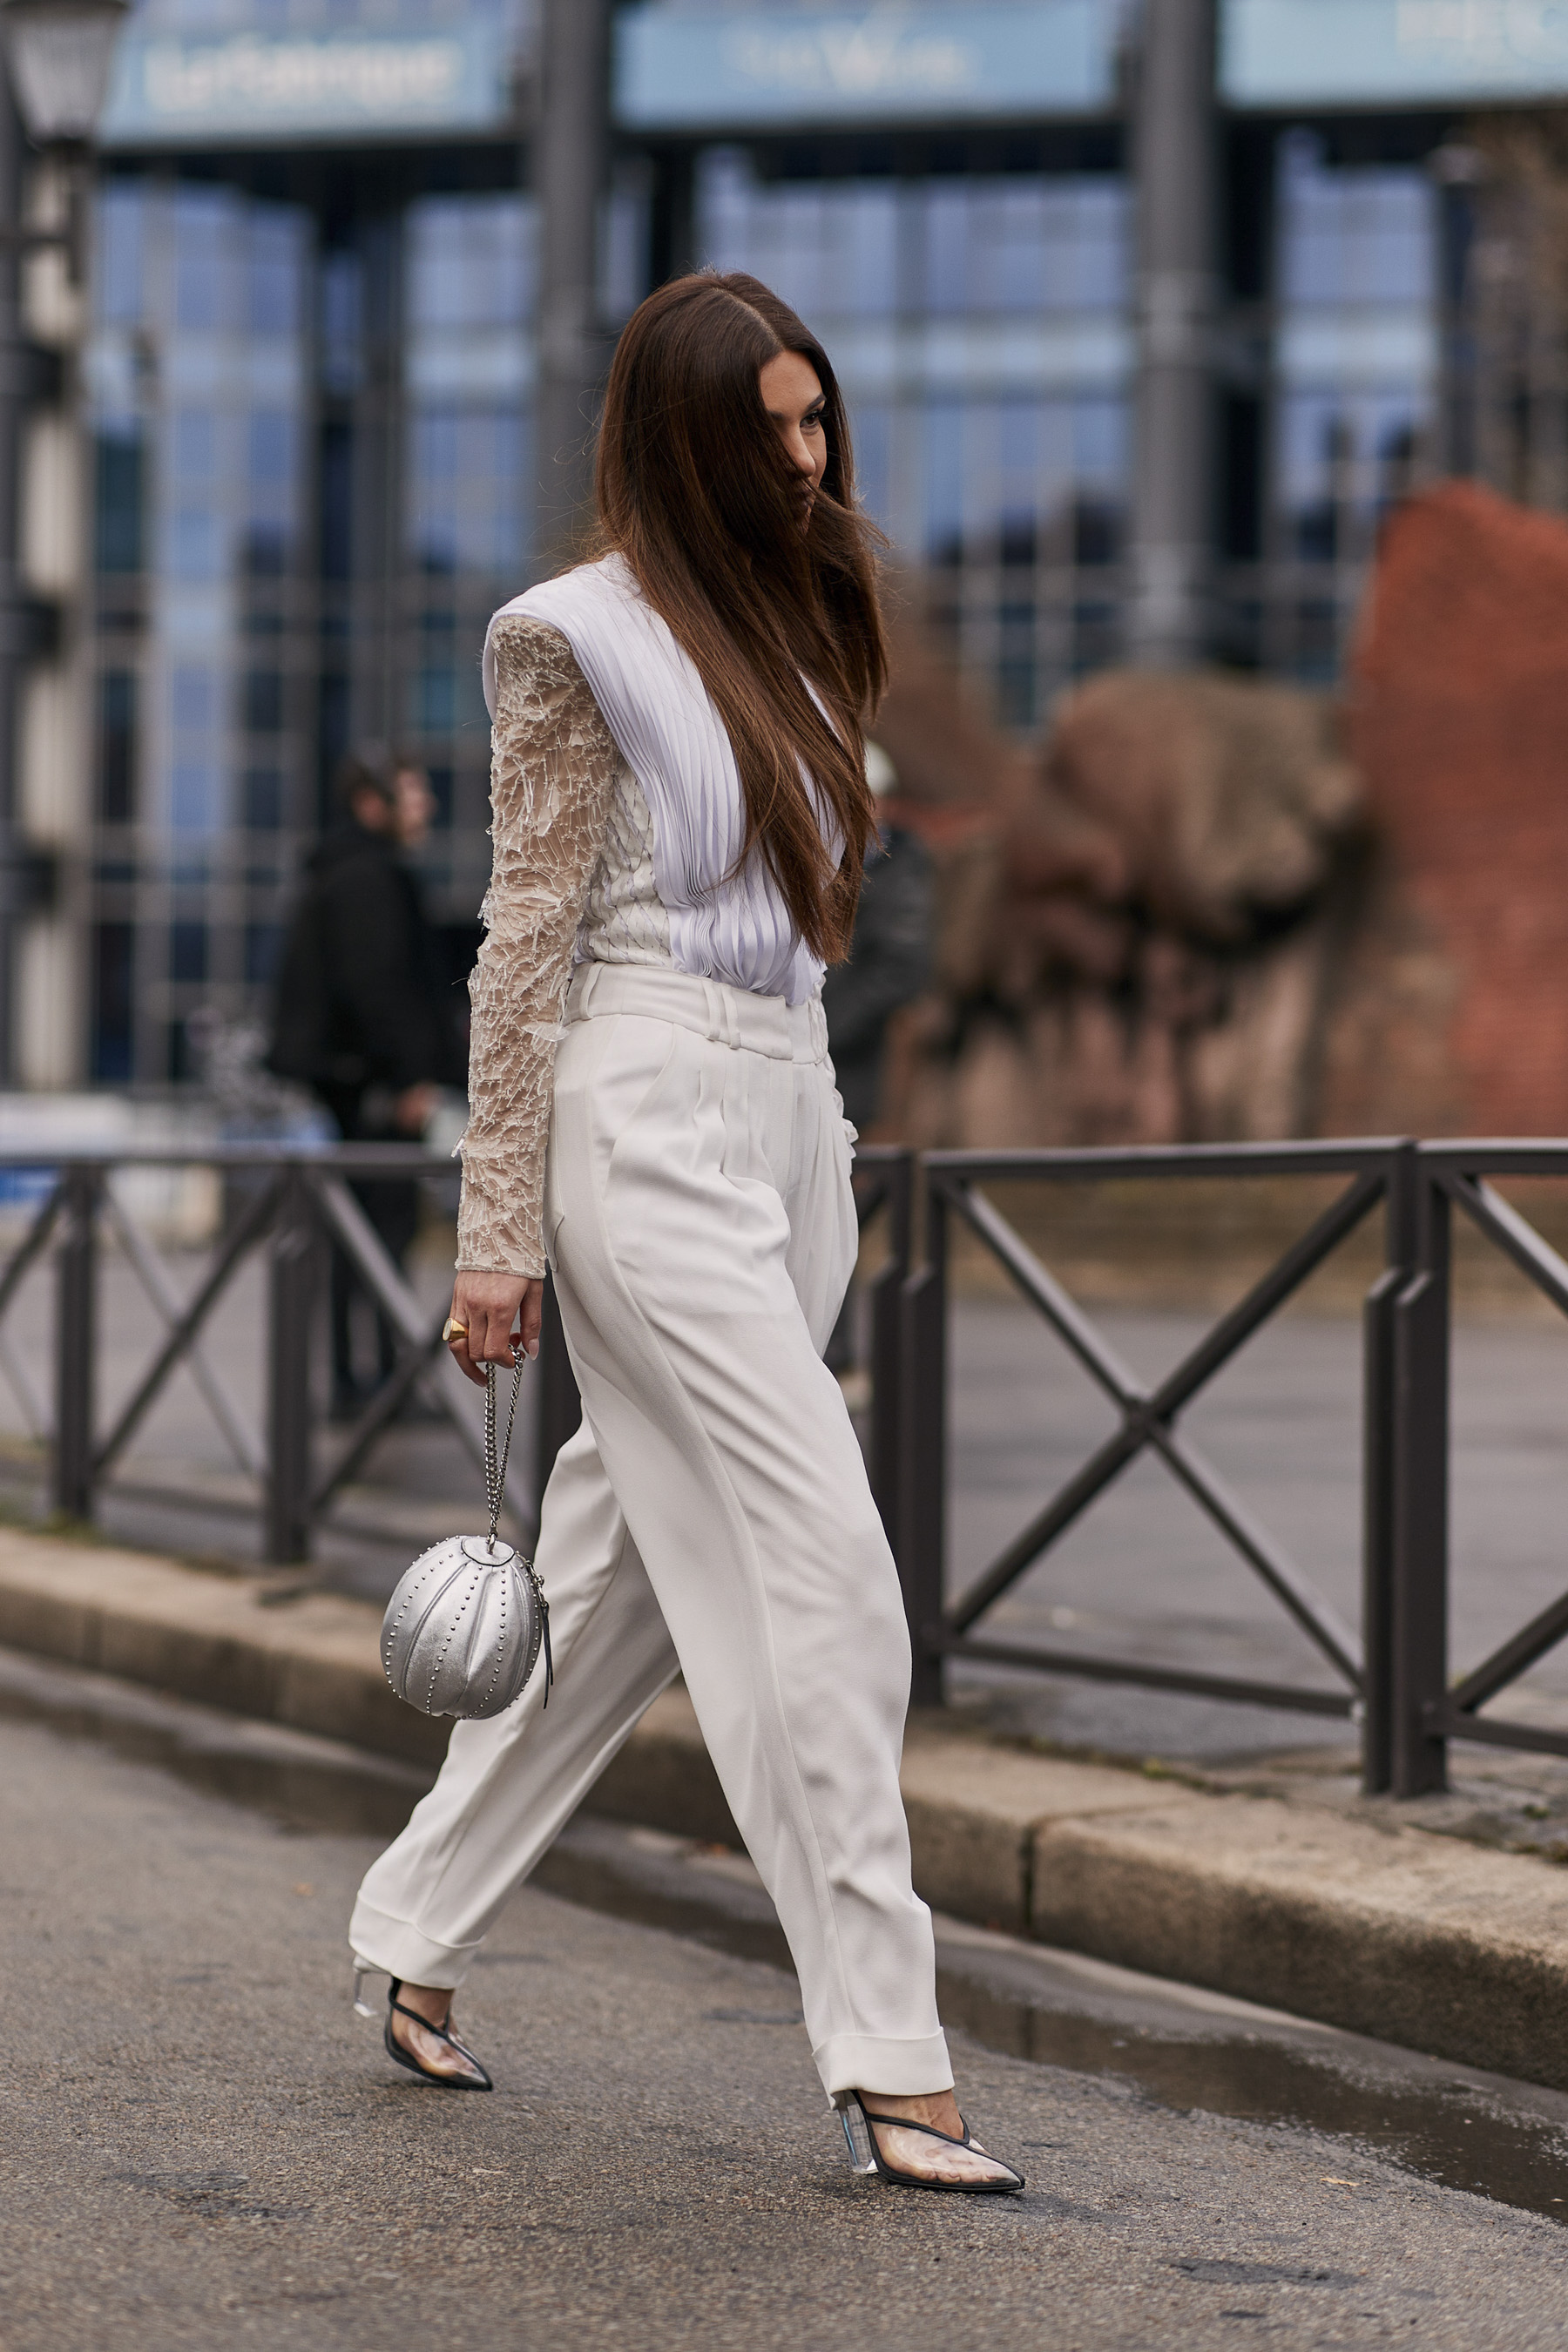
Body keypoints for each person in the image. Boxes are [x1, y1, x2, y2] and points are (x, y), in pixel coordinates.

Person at [346, 273, 1024, 2195]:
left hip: (788, 1120)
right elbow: (522, 951)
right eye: (771, 431)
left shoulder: (800, 624)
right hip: (634, 1123)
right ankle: (892, 2055)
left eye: (821, 426)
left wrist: (826, 1138)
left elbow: (816, 932)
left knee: (627, 1569)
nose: (809, 464)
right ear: (682, 436)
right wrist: (499, 1230)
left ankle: (412, 1923)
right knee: (824, 1564)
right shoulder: (573, 641)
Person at [267, 750, 465, 1419]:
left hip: (357, 1082)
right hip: (374, 1086)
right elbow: (379, 988)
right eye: (413, 795)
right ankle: (374, 1384)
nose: (426, 808)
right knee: (378, 1230)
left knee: (370, 1230)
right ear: (371, 805)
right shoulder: (368, 878)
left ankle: (374, 1378)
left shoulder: (352, 872)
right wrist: (411, 1077)